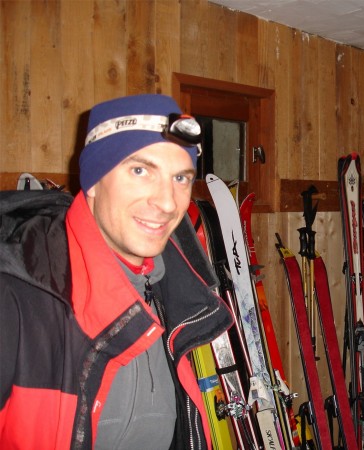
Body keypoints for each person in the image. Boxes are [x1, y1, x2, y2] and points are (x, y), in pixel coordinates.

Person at [0, 94, 234, 449]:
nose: (168, 202)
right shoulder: (16, 299)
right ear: (93, 180)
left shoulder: (176, 294)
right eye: (140, 171)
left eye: (181, 178)